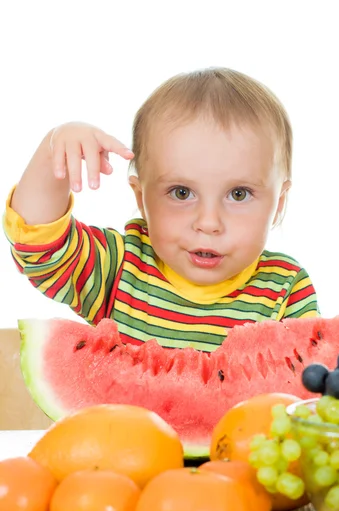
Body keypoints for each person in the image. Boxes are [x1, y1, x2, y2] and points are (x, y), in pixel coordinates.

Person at [2, 67, 319, 352]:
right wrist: (52, 150)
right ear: (141, 198)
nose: (208, 223)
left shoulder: (286, 289)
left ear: (278, 204)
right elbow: (40, 250)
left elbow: (311, 383)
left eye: (239, 194)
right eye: (182, 193)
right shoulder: (121, 267)